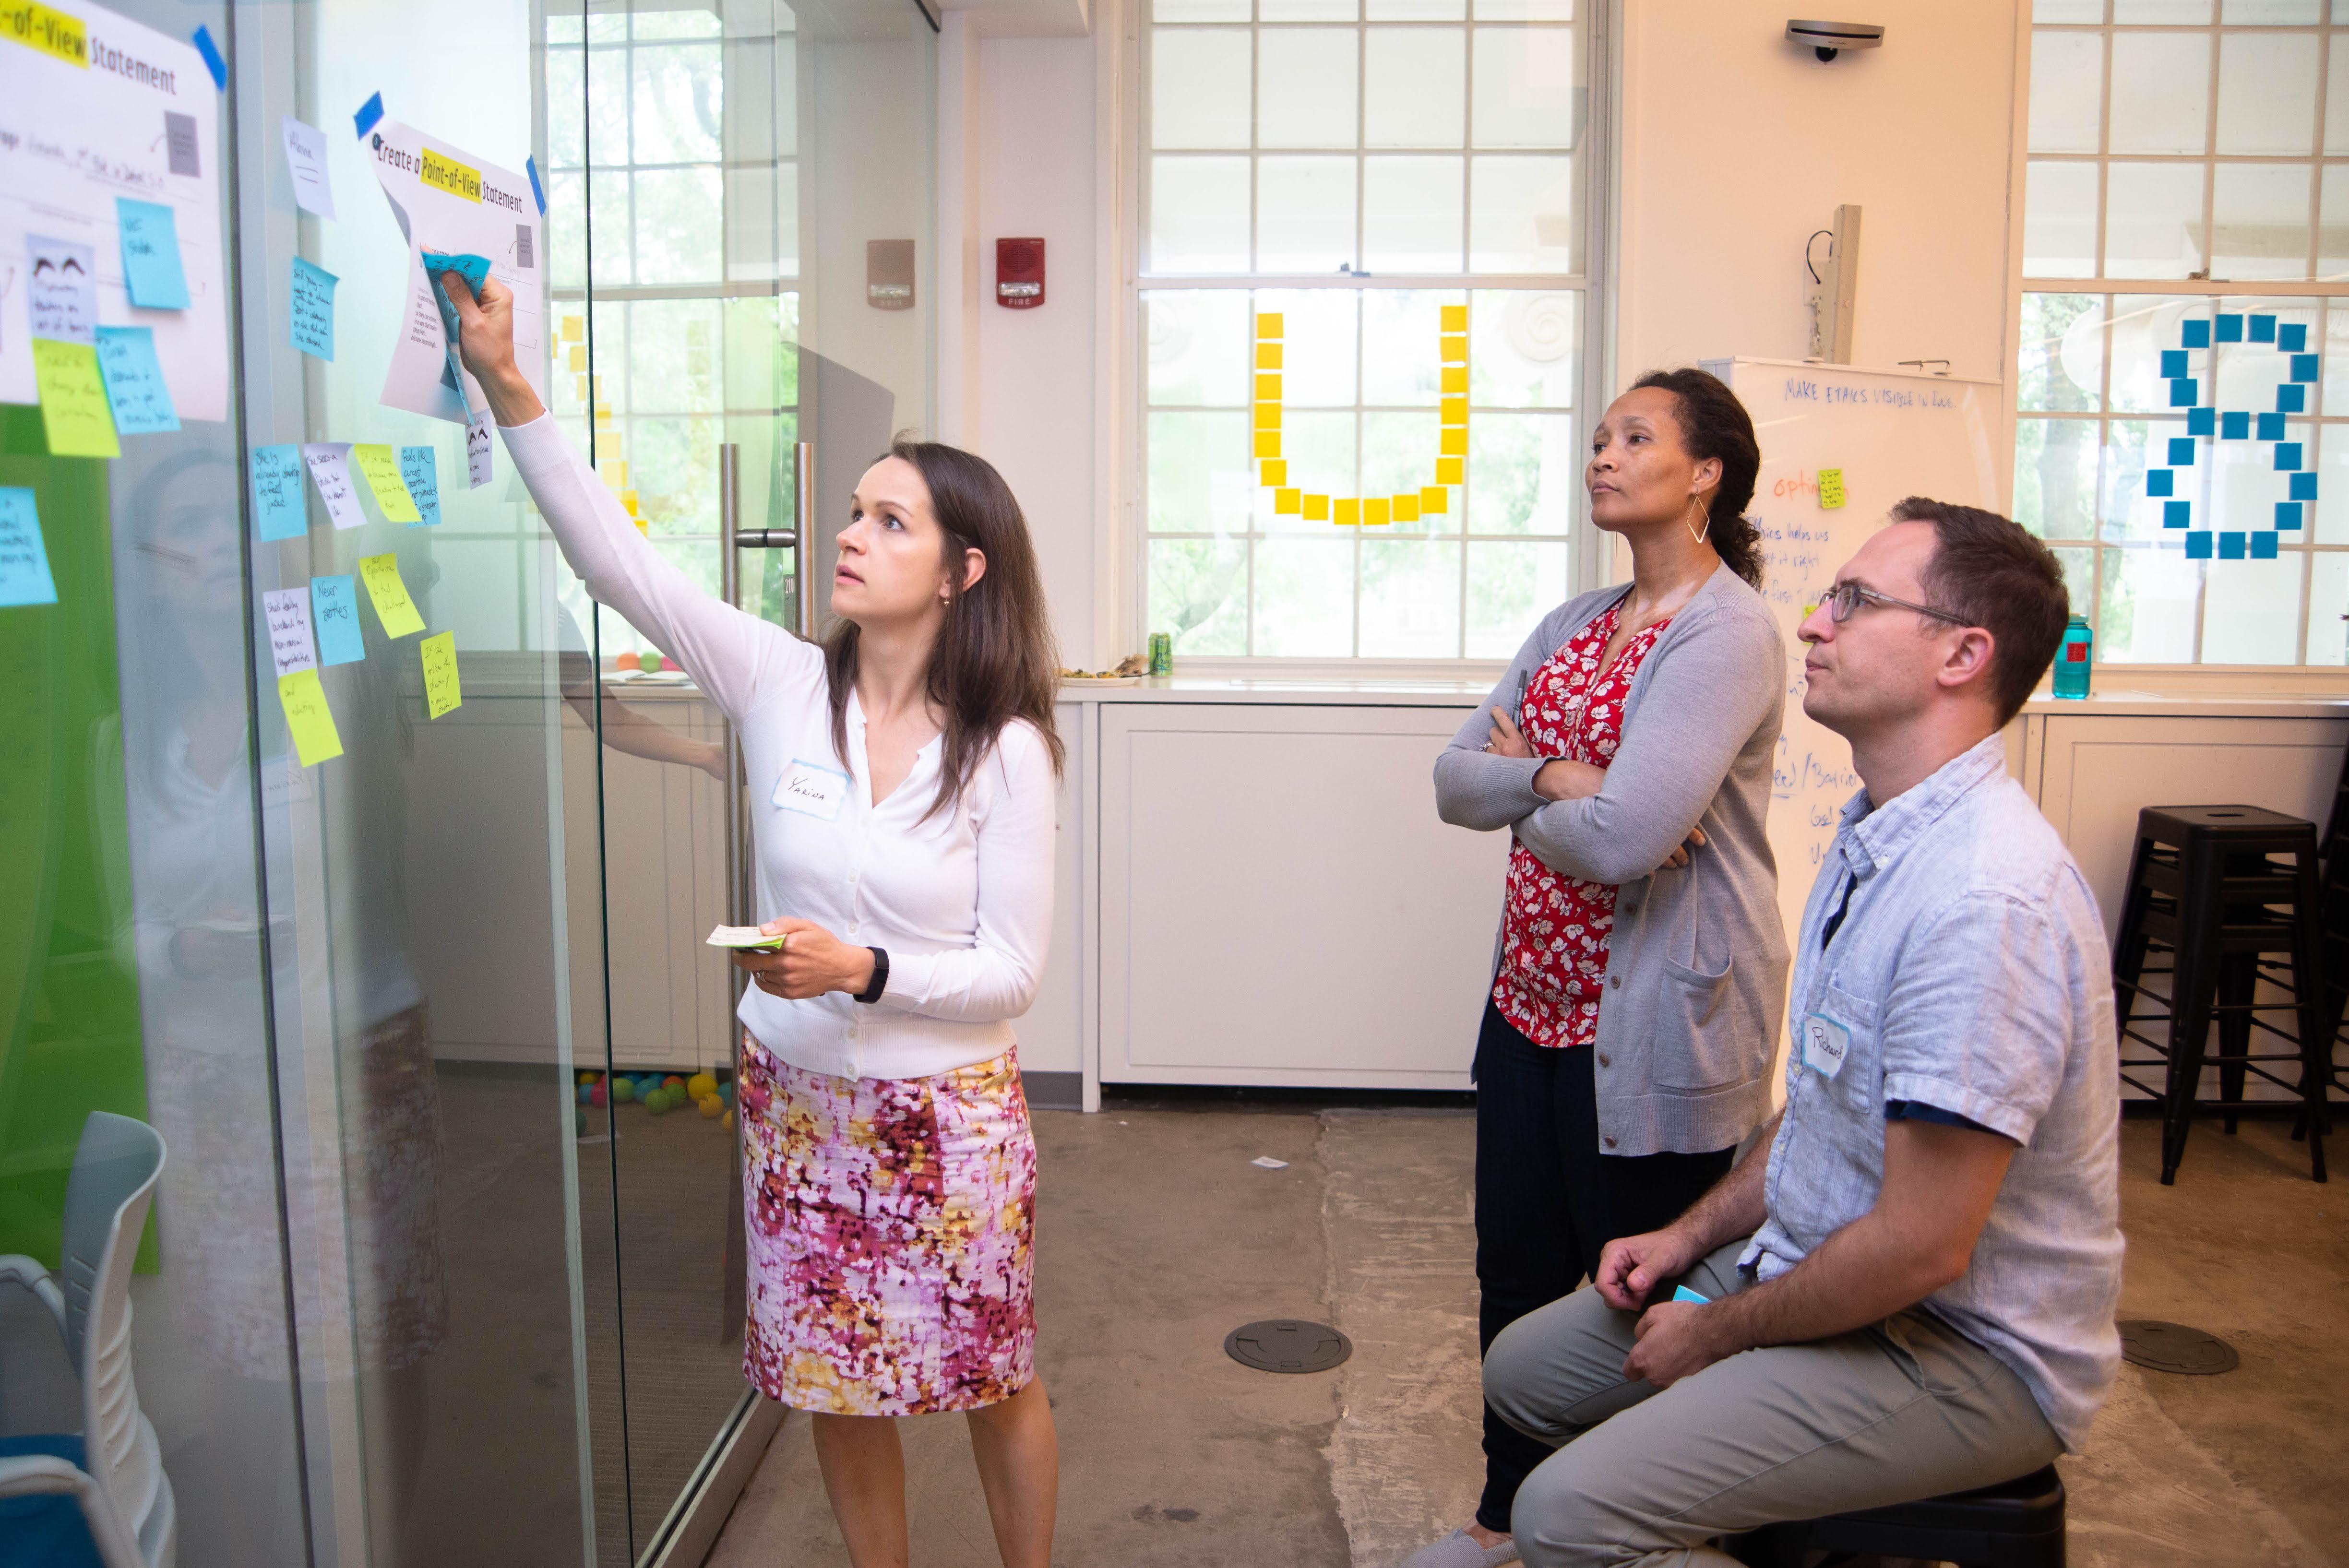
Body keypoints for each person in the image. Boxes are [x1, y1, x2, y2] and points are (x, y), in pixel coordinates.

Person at [441, 270, 1065, 1568]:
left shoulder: (1008, 751)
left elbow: (1012, 970)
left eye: (890, 521)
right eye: (853, 511)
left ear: (962, 568)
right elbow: (618, 562)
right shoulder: (781, 680)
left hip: (946, 1119)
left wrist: (866, 967)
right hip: (798, 1101)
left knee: (989, 1372)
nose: (851, 533)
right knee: (839, 1385)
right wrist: (511, 387)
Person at [1482, 499, 2122, 1568]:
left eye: (1857, 602)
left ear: (1965, 653)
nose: (1815, 626)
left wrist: (1718, 1326)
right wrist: (1689, 1239)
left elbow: (1924, 1243)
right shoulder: (1877, 833)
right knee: (1526, 1370)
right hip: (1820, 1259)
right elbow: (1823, 1107)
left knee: (1563, 1515)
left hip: (1959, 1346)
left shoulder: (1984, 899)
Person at [1417, 369, 1789, 1568]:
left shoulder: (1726, 631)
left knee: (1630, 1294)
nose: (1603, 456)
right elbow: (1451, 780)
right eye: (1597, 439)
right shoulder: (1575, 621)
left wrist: (1539, 783)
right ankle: (1503, 1520)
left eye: (1636, 438)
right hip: (1527, 1011)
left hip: (1659, 1034)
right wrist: (1561, 780)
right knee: (1514, 1277)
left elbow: (1632, 841)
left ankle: (1627, 1530)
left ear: (1707, 474)